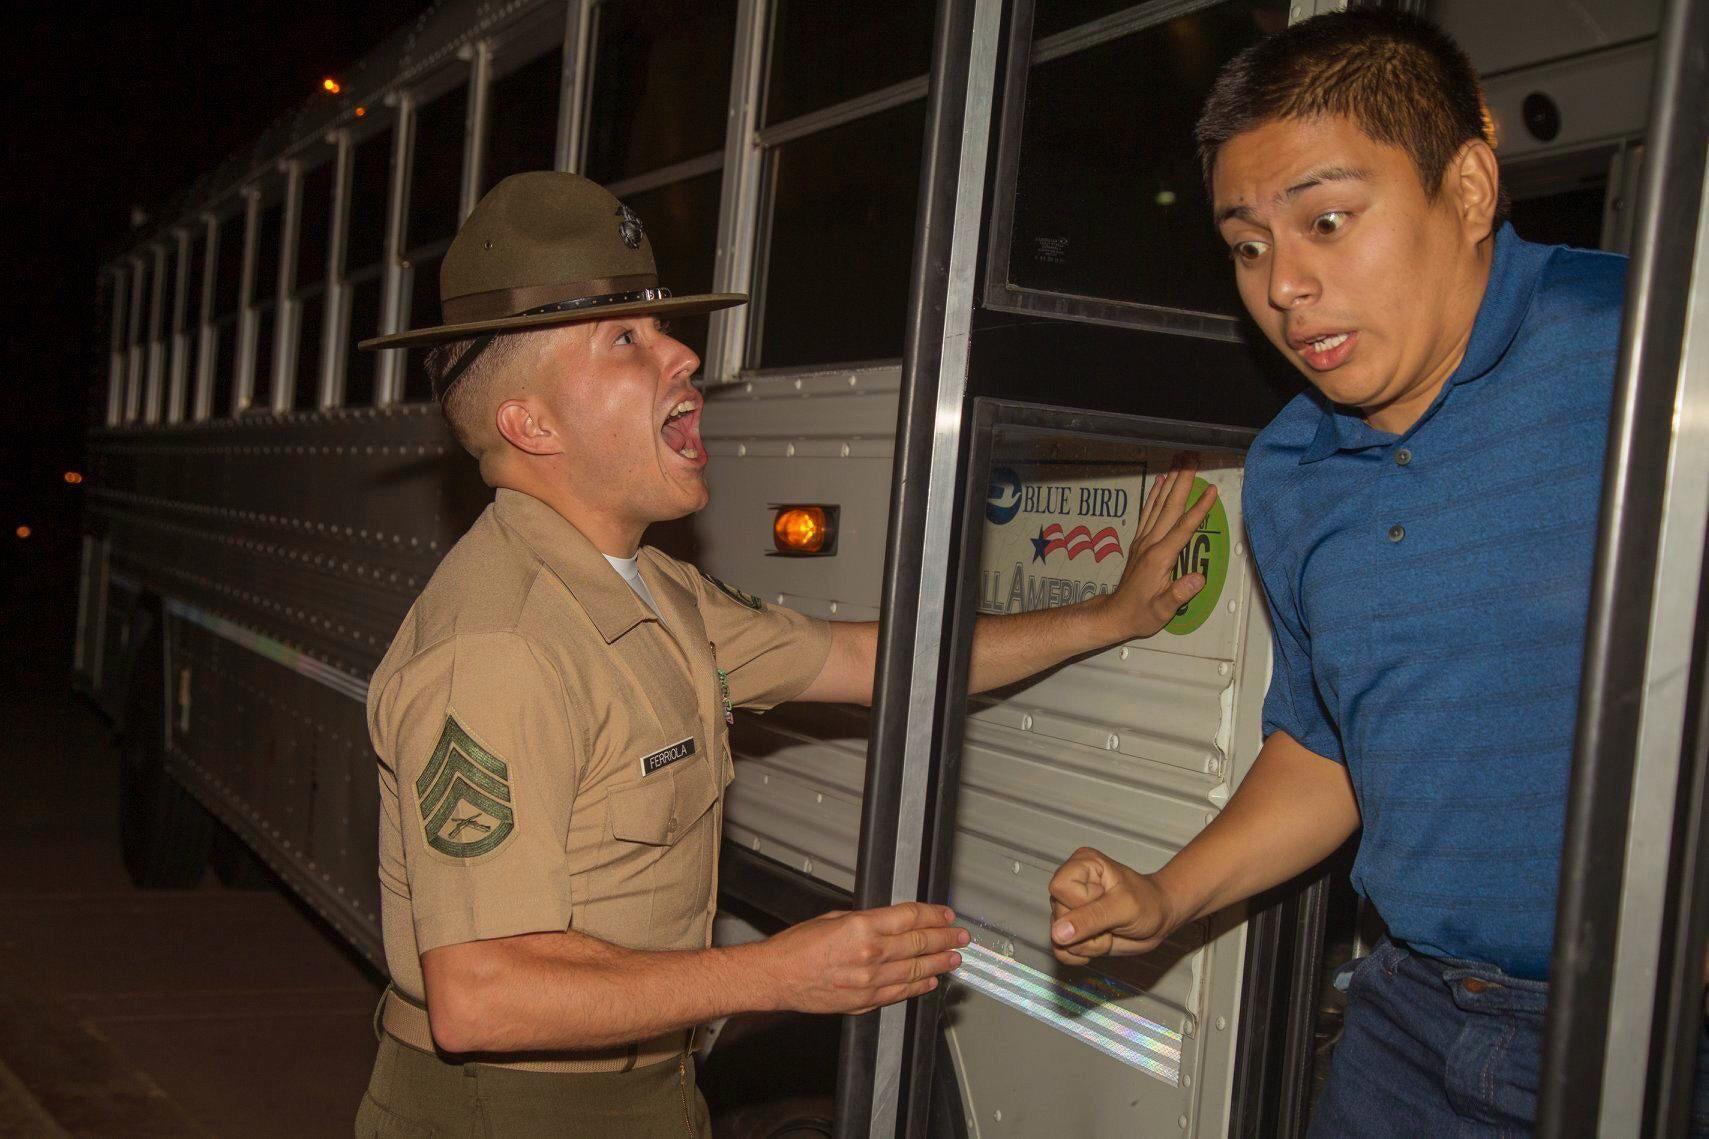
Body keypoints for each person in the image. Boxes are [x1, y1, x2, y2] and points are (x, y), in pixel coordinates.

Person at [352, 171, 1219, 1137]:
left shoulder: (650, 587)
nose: (681, 353)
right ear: (531, 423)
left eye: (662, 327)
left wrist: (1108, 615)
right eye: (625, 340)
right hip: (509, 1111)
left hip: (641, 1091)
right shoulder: (498, 646)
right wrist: (785, 971)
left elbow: (870, 660)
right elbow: (483, 995)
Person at [1045, 9, 1709, 1135]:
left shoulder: (1658, 357)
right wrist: (1168, 894)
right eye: (1247, 246)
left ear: (1464, 191)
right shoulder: (1292, 472)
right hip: (1408, 1019)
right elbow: (1328, 746)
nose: (1282, 286)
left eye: (1326, 221)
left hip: (1652, 1034)